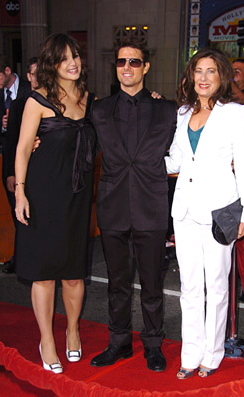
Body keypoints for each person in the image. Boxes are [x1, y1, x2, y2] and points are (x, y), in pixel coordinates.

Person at [165, 48, 244, 378]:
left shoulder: (234, 113)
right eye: (197, 71)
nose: (203, 78)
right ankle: (190, 353)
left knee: (217, 286)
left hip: (221, 210)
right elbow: (175, 161)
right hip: (185, 209)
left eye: (210, 72)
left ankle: (213, 353)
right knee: (189, 286)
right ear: (190, 77)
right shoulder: (181, 113)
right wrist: (137, 163)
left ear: (221, 78)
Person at [90, 37, 177, 372]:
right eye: (121, 62)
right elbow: (80, 148)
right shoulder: (99, 110)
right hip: (113, 207)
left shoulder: (167, 109)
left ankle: (153, 344)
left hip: (151, 207)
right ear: (116, 67)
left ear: (146, 67)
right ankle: (119, 342)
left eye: (134, 62)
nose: (127, 67)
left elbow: (189, 146)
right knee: (117, 283)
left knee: (153, 283)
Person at [14, 33, 96, 373]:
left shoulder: (91, 100)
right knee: (45, 274)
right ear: (52, 64)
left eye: (75, 55)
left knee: (74, 274)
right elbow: (21, 149)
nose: (72, 62)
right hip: (44, 195)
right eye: (64, 58)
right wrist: (19, 191)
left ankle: (73, 330)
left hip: (77, 197)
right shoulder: (38, 99)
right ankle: (47, 338)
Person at [0, 53, 31, 273]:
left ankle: (29, 258)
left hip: (32, 162)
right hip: (10, 160)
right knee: (16, 212)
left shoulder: (30, 90)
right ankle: (20, 258)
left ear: (8, 71)